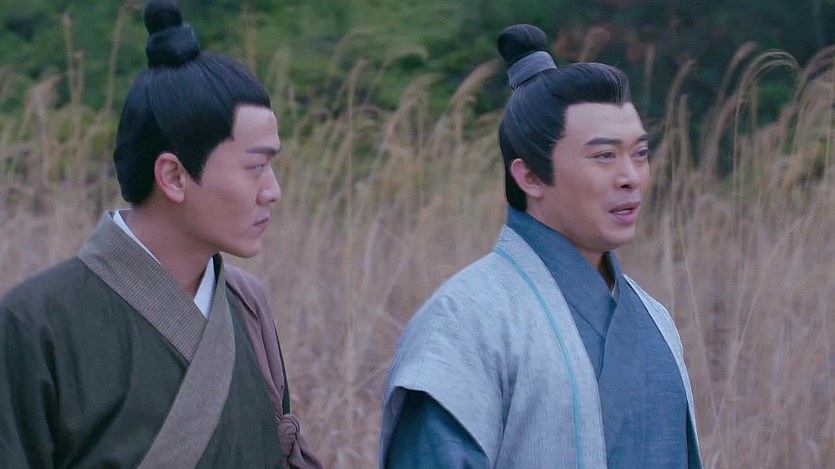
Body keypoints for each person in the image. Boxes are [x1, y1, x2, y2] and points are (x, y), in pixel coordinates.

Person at [0, 1, 322, 468]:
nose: (273, 191)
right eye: (256, 167)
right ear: (173, 176)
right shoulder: (35, 323)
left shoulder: (248, 305)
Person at [379, 24, 702, 468]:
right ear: (530, 176)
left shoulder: (655, 319)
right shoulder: (463, 323)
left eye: (640, 154)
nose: (631, 177)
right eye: (605, 156)